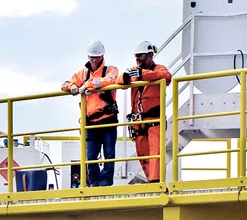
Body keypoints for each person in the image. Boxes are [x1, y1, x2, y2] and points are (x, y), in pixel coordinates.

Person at [62, 41, 120, 187]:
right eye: (91, 57)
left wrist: (86, 85)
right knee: (90, 156)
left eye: (96, 57)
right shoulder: (83, 73)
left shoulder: (111, 70)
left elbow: (110, 80)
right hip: (91, 123)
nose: (93, 60)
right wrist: (73, 86)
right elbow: (65, 84)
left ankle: (105, 182)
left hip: (108, 120)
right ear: (88, 56)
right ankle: (94, 183)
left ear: (102, 56)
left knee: (109, 154)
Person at [122, 41, 173, 183]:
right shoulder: (133, 71)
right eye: (136, 56)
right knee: (142, 154)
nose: (137, 59)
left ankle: (155, 182)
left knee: (155, 153)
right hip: (138, 123)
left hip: (154, 120)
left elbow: (167, 76)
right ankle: (151, 180)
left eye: (140, 56)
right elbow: (121, 82)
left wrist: (142, 74)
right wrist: (125, 77)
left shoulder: (158, 69)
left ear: (150, 55)